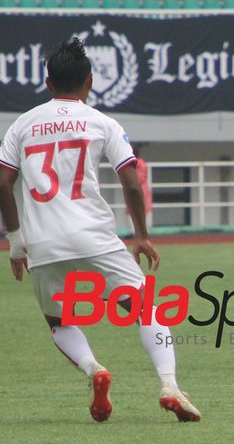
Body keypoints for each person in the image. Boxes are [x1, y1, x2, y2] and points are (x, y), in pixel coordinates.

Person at [0, 38, 200, 423]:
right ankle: (170, 385)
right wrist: (140, 234)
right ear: (89, 82)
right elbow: (129, 181)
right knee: (145, 311)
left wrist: (16, 242)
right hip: (94, 235)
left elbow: (3, 182)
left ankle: (94, 369)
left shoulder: (22, 124)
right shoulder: (102, 122)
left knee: (59, 322)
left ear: (47, 82)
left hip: (43, 243)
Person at [127, 144, 153, 236]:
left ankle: (142, 231)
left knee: (141, 209)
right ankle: (133, 231)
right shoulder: (140, 164)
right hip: (140, 188)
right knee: (134, 210)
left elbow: (139, 178)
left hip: (140, 189)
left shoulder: (138, 164)